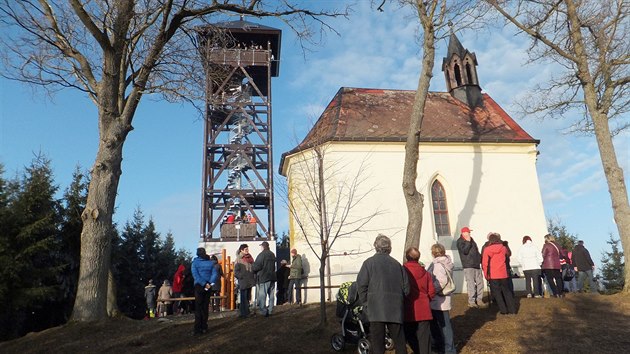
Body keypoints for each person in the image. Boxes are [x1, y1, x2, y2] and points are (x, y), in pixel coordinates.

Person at [356, 234, 409, 354]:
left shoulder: (368, 263)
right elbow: (406, 288)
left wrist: (366, 303)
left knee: (377, 342)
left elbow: (361, 285)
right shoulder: (397, 265)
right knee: (400, 341)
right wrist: (399, 299)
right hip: (395, 307)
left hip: (375, 307)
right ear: (389, 248)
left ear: (376, 246)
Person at [403, 247, 435, 354]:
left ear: (407, 257)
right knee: (424, 338)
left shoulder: (403, 271)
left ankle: (417, 350)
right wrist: (426, 300)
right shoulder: (425, 273)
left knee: (409, 335)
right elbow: (431, 291)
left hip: (408, 308)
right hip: (424, 308)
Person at [427, 243, 456, 354]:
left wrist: (432, 292)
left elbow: (441, 281)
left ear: (434, 253)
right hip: (442, 299)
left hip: (438, 299)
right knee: (443, 325)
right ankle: (445, 347)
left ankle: (448, 349)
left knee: (443, 326)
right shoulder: (447, 262)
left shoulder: (438, 265)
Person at [482, 233, 517, 315]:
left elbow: (485, 263)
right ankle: (512, 309)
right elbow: (508, 255)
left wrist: (486, 275)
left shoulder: (487, 249)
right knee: (507, 291)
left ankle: (503, 310)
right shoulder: (503, 248)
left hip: (493, 274)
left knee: (497, 293)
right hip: (503, 273)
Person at [456, 226, 486, 308]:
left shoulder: (473, 241)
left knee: (480, 283)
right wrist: (468, 242)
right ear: (463, 233)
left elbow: (476, 251)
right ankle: (471, 301)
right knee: (471, 284)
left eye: (469, 232)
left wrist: (481, 260)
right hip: (468, 265)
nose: (469, 233)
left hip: (476, 265)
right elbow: (465, 251)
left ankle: (479, 300)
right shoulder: (460, 242)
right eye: (468, 232)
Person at [191, 247, 218, 335]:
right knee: (205, 306)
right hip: (208, 285)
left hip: (199, 286)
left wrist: (203, 283)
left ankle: (197, 329)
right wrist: (209, 283)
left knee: (198, 307)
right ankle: (204, 327)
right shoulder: (211, 263)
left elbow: (195, 275)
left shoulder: (195, 263)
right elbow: (215, 274)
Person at [252, 240, 277, 317]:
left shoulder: (261, 255)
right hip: (272, 277)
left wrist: (252, 267)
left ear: (263, 247)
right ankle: (270, 310)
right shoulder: (272, 254)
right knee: (271, 295)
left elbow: (257, 266)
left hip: (264, 277)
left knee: (262, 295)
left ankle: (263, 310)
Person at [234, 244, 255, 318]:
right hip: (243, 281)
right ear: (241, 250)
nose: (247, 251)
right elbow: (236, 272)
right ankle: (244, 313)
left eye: (247, 249)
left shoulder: (250, 258)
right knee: (244, 297)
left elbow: (253, 268)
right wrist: (241, 277)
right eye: (246, 249)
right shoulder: (238, 259)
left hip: (250, 280)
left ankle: (245, 312)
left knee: (248, 297)